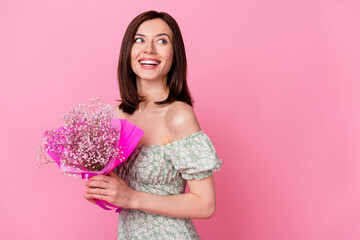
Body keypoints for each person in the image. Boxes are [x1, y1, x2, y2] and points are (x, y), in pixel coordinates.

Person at [84, 10, 223, 240]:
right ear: (128, 51)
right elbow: (120, 190)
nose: (149, 49)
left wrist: (132, 198)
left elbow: (205, 205)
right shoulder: (117, 115)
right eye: (139, 40)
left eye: (161, 41)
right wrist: (102, 190)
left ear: (174, 54)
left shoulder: (178, 116)